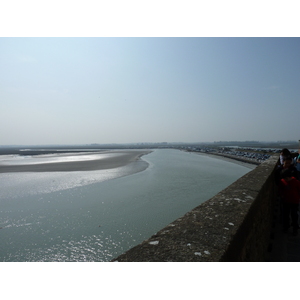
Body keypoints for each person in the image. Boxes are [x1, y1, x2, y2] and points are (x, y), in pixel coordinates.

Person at [279, 168, 300, 235]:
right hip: (285, 201)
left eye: (286, 178)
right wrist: (281, 195)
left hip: (294, 201)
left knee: (294, 215)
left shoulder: (296, 182)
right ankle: (286, 227)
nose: (285, 180)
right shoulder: (282, 181)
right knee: (285, 215)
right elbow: (281, 189)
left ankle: (295, 228)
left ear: (289, 177)